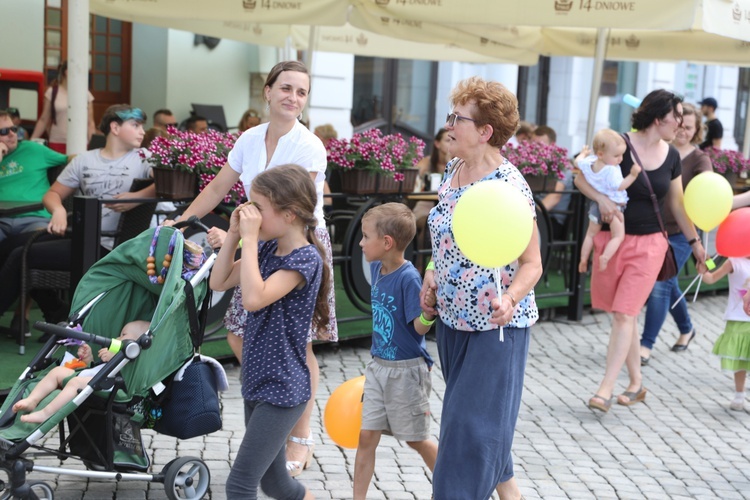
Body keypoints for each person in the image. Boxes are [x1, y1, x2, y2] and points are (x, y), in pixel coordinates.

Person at [165, 60, 336, 476]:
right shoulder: (249, 137)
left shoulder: (310, 145)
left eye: (302, 92)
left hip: (297, 241)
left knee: (300, 345)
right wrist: (181, 221)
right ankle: (270, 418)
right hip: (257, 234)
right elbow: (219, 186)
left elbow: (296, 209)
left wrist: (242, 237)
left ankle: (300, 434)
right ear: (268, 90)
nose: (293, 97)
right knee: (239, 331)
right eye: (287, 88)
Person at [420, 76, 543, 500]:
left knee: (466, 432)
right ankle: (509, 493)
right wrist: (433, 270)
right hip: (452, 322)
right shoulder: (453, 171)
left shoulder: (509, 188)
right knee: (479, 422)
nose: (449, 125)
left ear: (485, 131)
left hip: (496, 328)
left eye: (458, 118)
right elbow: (447, 235)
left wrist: (510, 298)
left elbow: (533, 263)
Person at [574, 89, 706, 413]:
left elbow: (676, 204)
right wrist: (601, 199)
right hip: (614, 239)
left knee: (625, 313)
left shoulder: (673, 155)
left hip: (650, 245)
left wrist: (696, 243)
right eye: (677, 116)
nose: (681, 123)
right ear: (659, 118)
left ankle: (605, 389)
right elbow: (580, 177)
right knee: (624, 314)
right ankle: (636, 383)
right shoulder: (618, 144)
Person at [209, 164, 327, 500]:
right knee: (277, 484)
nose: (251, 215)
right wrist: (234, 234)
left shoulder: (304, 259)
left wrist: (248, 239)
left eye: (258, 208)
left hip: (283, 388)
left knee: (240, 484)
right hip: (258, 379)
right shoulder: (264, 248)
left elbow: (254, 298)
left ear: (289, 214)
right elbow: (218, 282)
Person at [0, 105, 155, 336]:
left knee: (20, 255)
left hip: (116, 247)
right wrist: (59, 211)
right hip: (82, 240)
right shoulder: (85, 160)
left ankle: (55, 312)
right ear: (115, 127)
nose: (142, 131)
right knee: (14, 246)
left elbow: (168, 185)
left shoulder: (145, 159)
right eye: (135, 125)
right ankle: (56, 312)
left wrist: (138, 197)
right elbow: (52, 195)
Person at [352, 203, 438, 500]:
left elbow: (419, 328)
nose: (361, 243)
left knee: (416, 440)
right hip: (378, 367)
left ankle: (456, 487)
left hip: (407, 371)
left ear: (386, 243)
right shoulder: (377, 268)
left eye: (365, 236)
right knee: (366, 436)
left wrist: (428, 312)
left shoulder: (409, 278)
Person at [640, 103, 713, 364]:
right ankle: (686, 328)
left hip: (683, 234)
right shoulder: (661, 151)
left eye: (689, 127)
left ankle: (645, 345)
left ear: (697, 131)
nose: (683, 130)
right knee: (668, 283)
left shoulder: (699, 159)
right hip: (653, 229)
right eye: (680, 124)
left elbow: (708, 189)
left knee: (661, 284)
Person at [12, 320, 149, 423]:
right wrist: (88, 360)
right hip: (96, 379)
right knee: (57, 371)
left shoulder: (137, 361)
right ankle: (32, 400)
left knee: (76, 382)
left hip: (113, 387)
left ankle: (46, 414)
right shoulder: (117, 353)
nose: (117, 338)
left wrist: (116, 357)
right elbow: (95, 370)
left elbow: (128, 370)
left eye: (123, 335)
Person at [577, 130, 642, 273]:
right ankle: (605, 257)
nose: (620, 159)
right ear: (601, 154)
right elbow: (620, 186)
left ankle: (583, 259)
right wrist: (633, 175)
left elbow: (577, 161)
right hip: (615, 207)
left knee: (590, 234)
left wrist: (583, 152)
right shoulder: (611, 171)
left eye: (622, 155)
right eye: (616, 156)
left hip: (596, 206)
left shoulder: (589, 162)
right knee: (618, 236)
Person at [0, 109, 69, 243]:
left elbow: (71, 160)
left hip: (34, 218)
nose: (11, 134)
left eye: (13, 129)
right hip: (2, 220)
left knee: (42, 242)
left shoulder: (33, 149)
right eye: (3, 131)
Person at [701, 257, 750, 411]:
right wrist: (706, 264)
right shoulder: (734, 262)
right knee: (740, 359)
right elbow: (711, 278)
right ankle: (739, 394)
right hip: (738, 318)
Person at [30, 61, 97, 153]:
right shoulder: (52, 92)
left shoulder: (86, 94)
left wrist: (94, 147)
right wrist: (31, 141)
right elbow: (44, 119)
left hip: (80, 142)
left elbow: (90, 123)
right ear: (66, 71)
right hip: (57, 142)